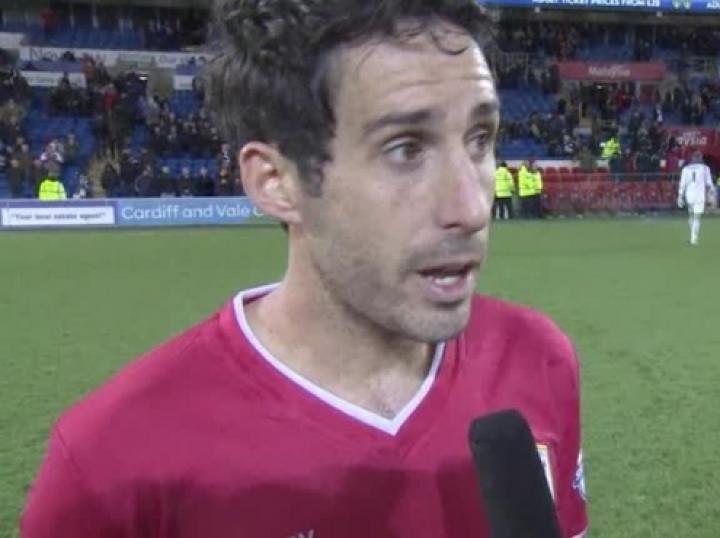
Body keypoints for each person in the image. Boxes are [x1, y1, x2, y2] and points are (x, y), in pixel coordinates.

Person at [19, 2, 588, 537]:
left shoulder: (537, 358)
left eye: (480, 138)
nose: (470, 206)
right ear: (277, 182)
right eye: (406, 149)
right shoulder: (109, 463)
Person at [677, 150, 715, 245]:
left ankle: (692, 238)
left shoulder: (686, 169)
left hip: (689, 195)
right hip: (699, 195)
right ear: (701, 158)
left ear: (692, 158)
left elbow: (682, 183)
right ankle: (694, 239)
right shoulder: (705, 168)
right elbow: (709, 183)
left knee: (691, 216)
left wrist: (680, 196)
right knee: (697, 217)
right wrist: (712, 194)